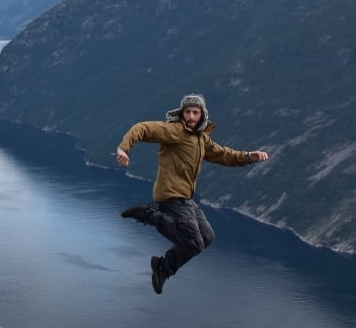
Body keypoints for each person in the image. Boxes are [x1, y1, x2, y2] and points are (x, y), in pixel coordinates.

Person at [115, 93, 269, 294]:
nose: (190, 116)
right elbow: (142, 128)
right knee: (194, 243)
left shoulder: (201, 139)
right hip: (171, 194)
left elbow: (223, 154)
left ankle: (162, 267)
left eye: (195, 112)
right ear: (182, 113)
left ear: (202, 115)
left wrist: (249, 157)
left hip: (185, 198)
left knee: (207, 237)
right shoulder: (175, 131)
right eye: (187, 112)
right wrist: (123, 149)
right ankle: (151, 217)